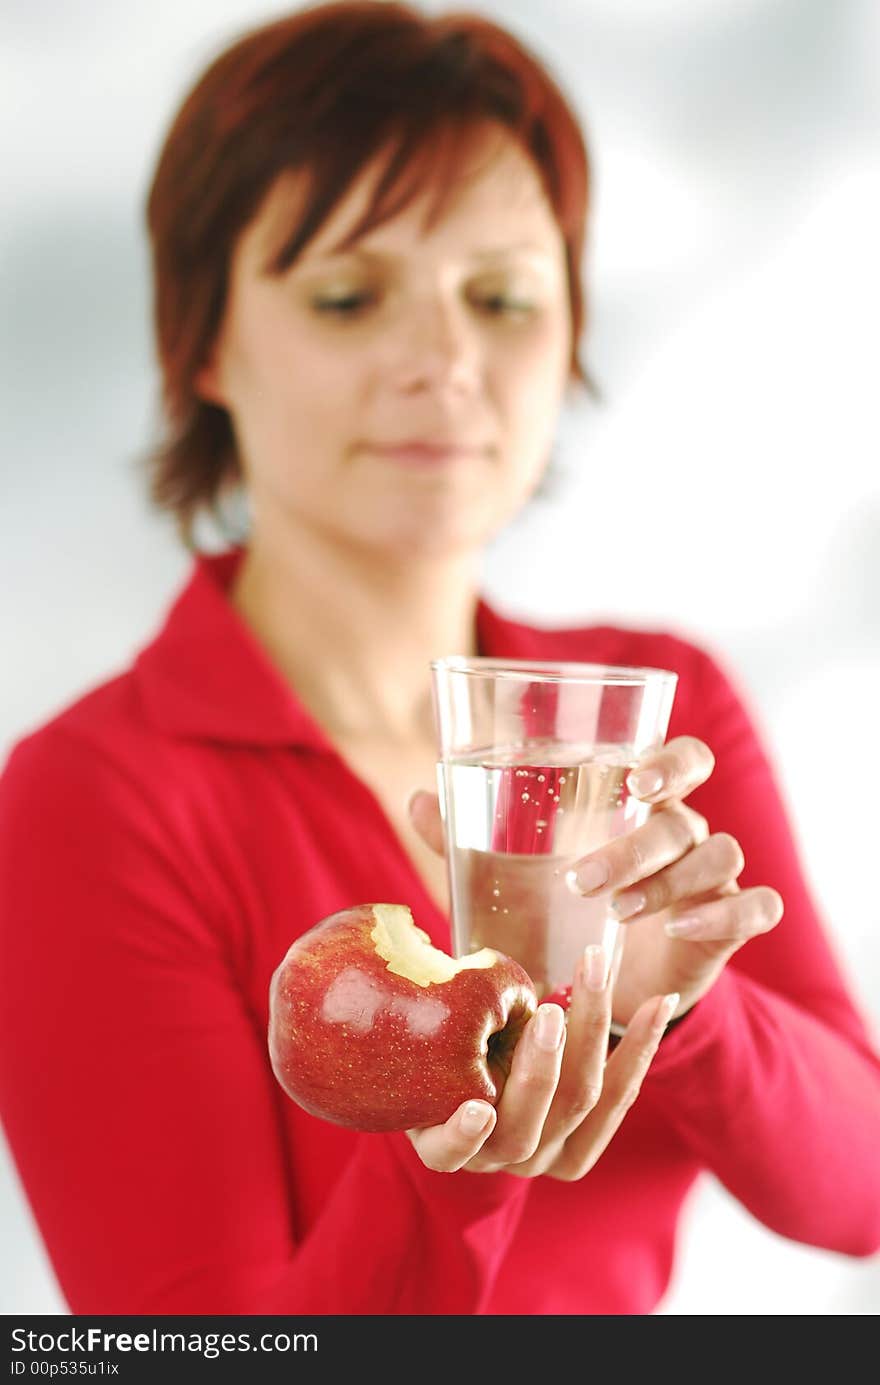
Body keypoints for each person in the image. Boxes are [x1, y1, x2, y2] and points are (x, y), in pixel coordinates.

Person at [1, 0, 878, 1317]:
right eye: (350, 297)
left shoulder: (662, 708)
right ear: (205, 343)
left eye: (504, 297)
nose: (445, 362)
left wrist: (686, 1011)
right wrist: (457, 1162)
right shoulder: (90, 799)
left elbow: (858, 1189)